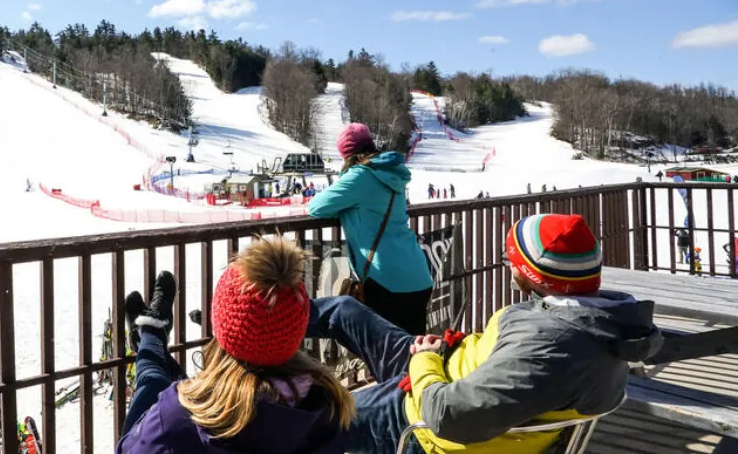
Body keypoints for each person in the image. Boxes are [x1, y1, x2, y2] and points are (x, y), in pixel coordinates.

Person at [307, 213, 662, 454]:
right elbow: (505, 364)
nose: (507, 265)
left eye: (512, 260)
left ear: (532, 276)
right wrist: (450, 347)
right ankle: (260, 325)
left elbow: (449, 417)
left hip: (420, 416)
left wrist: (426, 361)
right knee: (344, 310)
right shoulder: (603, 321)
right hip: (441, 367)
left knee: (308, 420)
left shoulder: (550, 347)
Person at [117, 240, 353, 453]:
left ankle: (150, 332)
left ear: (219, 323)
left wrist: (165, 412)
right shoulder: (327, 407)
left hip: (170, 423)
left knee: (152, 379)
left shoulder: (173, 419)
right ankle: (152, 332)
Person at [307, 123, 434, 334]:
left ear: (347, 154)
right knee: (414, 354)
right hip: (418, 275)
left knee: (386, 358)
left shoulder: (359, 177)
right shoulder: (393, 175)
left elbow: (316, 206)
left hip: (386, 280)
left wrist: (344, 210)